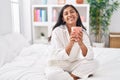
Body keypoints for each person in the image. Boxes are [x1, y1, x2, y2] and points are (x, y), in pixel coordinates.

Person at [45, 4, 98, 80]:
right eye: (66, 13)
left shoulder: (83, 33)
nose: (69, 15)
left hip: (73, 63)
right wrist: (71, 43)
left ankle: (71, 76)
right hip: (58, 63)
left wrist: (81, 43)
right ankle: (75, 75)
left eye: (72, 12)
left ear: (77, 14)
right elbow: (59, 56)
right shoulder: (57, 31)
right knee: (51, 75)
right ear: (63, 19)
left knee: (95, 63)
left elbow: (90, 56)